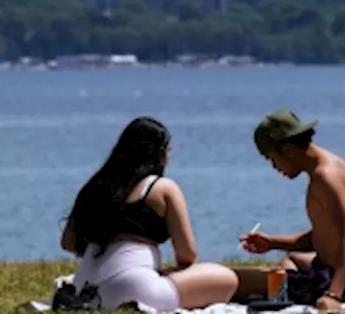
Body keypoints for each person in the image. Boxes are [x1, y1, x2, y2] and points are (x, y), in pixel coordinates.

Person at [60, 116, 238, 312]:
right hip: (134, 286)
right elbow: (187, 256)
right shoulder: (162, 188)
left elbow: (68, 243)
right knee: (226, 278)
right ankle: (135, 303)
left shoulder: (96, 187)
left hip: (84, 287)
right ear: (160, 153)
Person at [233, 110, 345, 312]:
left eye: (271, 159)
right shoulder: (336, 164)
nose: (274, 167)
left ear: (287, 150)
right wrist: (272, 243)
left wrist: (333, 296)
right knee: (292, 258)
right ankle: (284, 292)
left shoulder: (324, 177)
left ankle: (283, 295)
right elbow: (329, 234)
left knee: (235, 279)